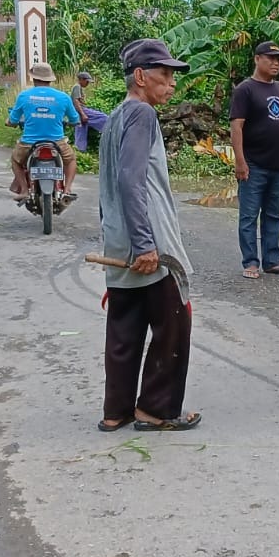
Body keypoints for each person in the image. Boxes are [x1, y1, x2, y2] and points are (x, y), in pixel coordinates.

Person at [98, 39, 201, 432]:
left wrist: (120, 237)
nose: (172, 83)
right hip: (149, 241)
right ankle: (157, 409)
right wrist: (145, 243)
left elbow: (110, 184)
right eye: (165, 74)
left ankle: (117, 410)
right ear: (141, 76)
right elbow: (129, 179)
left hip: (119, 238)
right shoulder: (141, 114)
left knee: (124, 327)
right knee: (174, 323)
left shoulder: (115, 117)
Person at [229, 40, 279, 279]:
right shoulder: (245, 90)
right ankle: (250, 262)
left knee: (273, 215)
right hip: (253, 164)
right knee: (249, 215)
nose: (276, 63)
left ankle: (272, 260)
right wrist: (240, 160)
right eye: (271, 58)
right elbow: (237, 126)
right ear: (257, 59)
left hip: (277, 165)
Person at [7, 62, 80, 200]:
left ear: (34, 79)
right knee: (70, 160)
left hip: (29, 144)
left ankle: (24, 190)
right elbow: (75, 119)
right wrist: (72, 122)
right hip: (57, 143)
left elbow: (12, 120)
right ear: (50, 79)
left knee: (15, 161)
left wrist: (9, 123)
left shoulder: (24, 96)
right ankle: (67, 189)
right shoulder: (63, 97)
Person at [71, 70, 109, 152]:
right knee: (104, 118)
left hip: (78, 113)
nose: (87, 84)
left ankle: (80, 151)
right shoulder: (77, 86)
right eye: (87, 81)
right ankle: (109, 129)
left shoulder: (78, 87)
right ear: (81, 79)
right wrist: (83, 114)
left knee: (81, 132)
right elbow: (76, 101)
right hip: (81, 110)